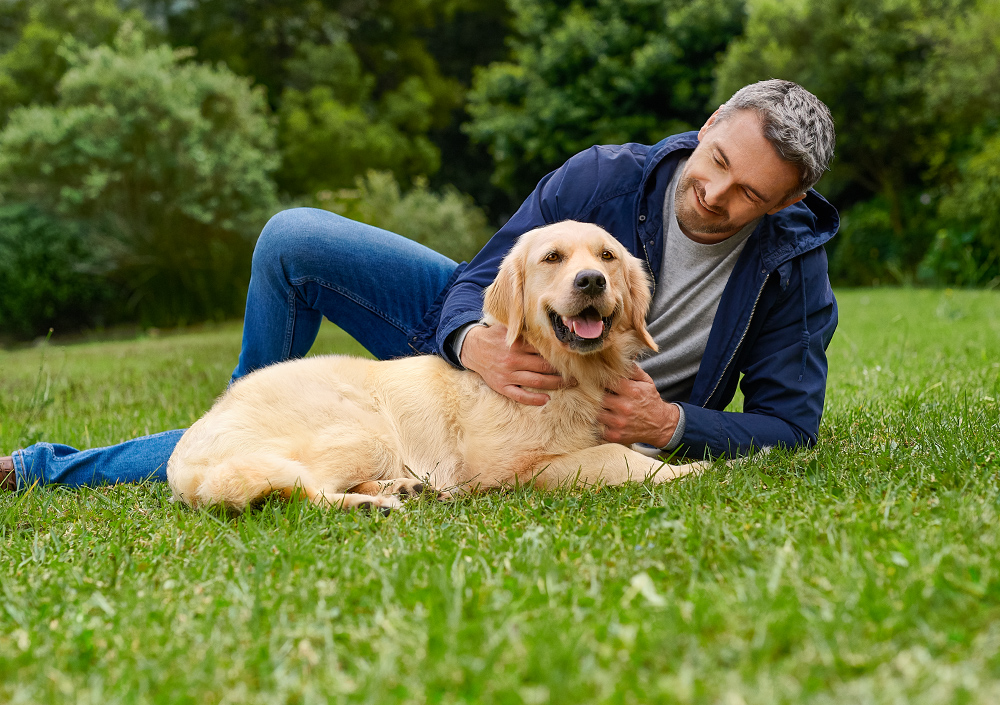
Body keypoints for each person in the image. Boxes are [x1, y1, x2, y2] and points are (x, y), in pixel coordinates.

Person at [0, 79, 838, 493]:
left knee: (289, 433)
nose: (715, 193)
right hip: (485, 356)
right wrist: (471, 339)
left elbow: (790, 427)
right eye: (715, 160)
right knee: (294, 241)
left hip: (593, 408)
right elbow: (478, 277)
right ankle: (248, 427)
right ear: (709, 125)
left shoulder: (794, 267)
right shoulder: (603, 179)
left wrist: (673, 423)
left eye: (749, 194)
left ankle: (50, 468)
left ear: (787, 203)